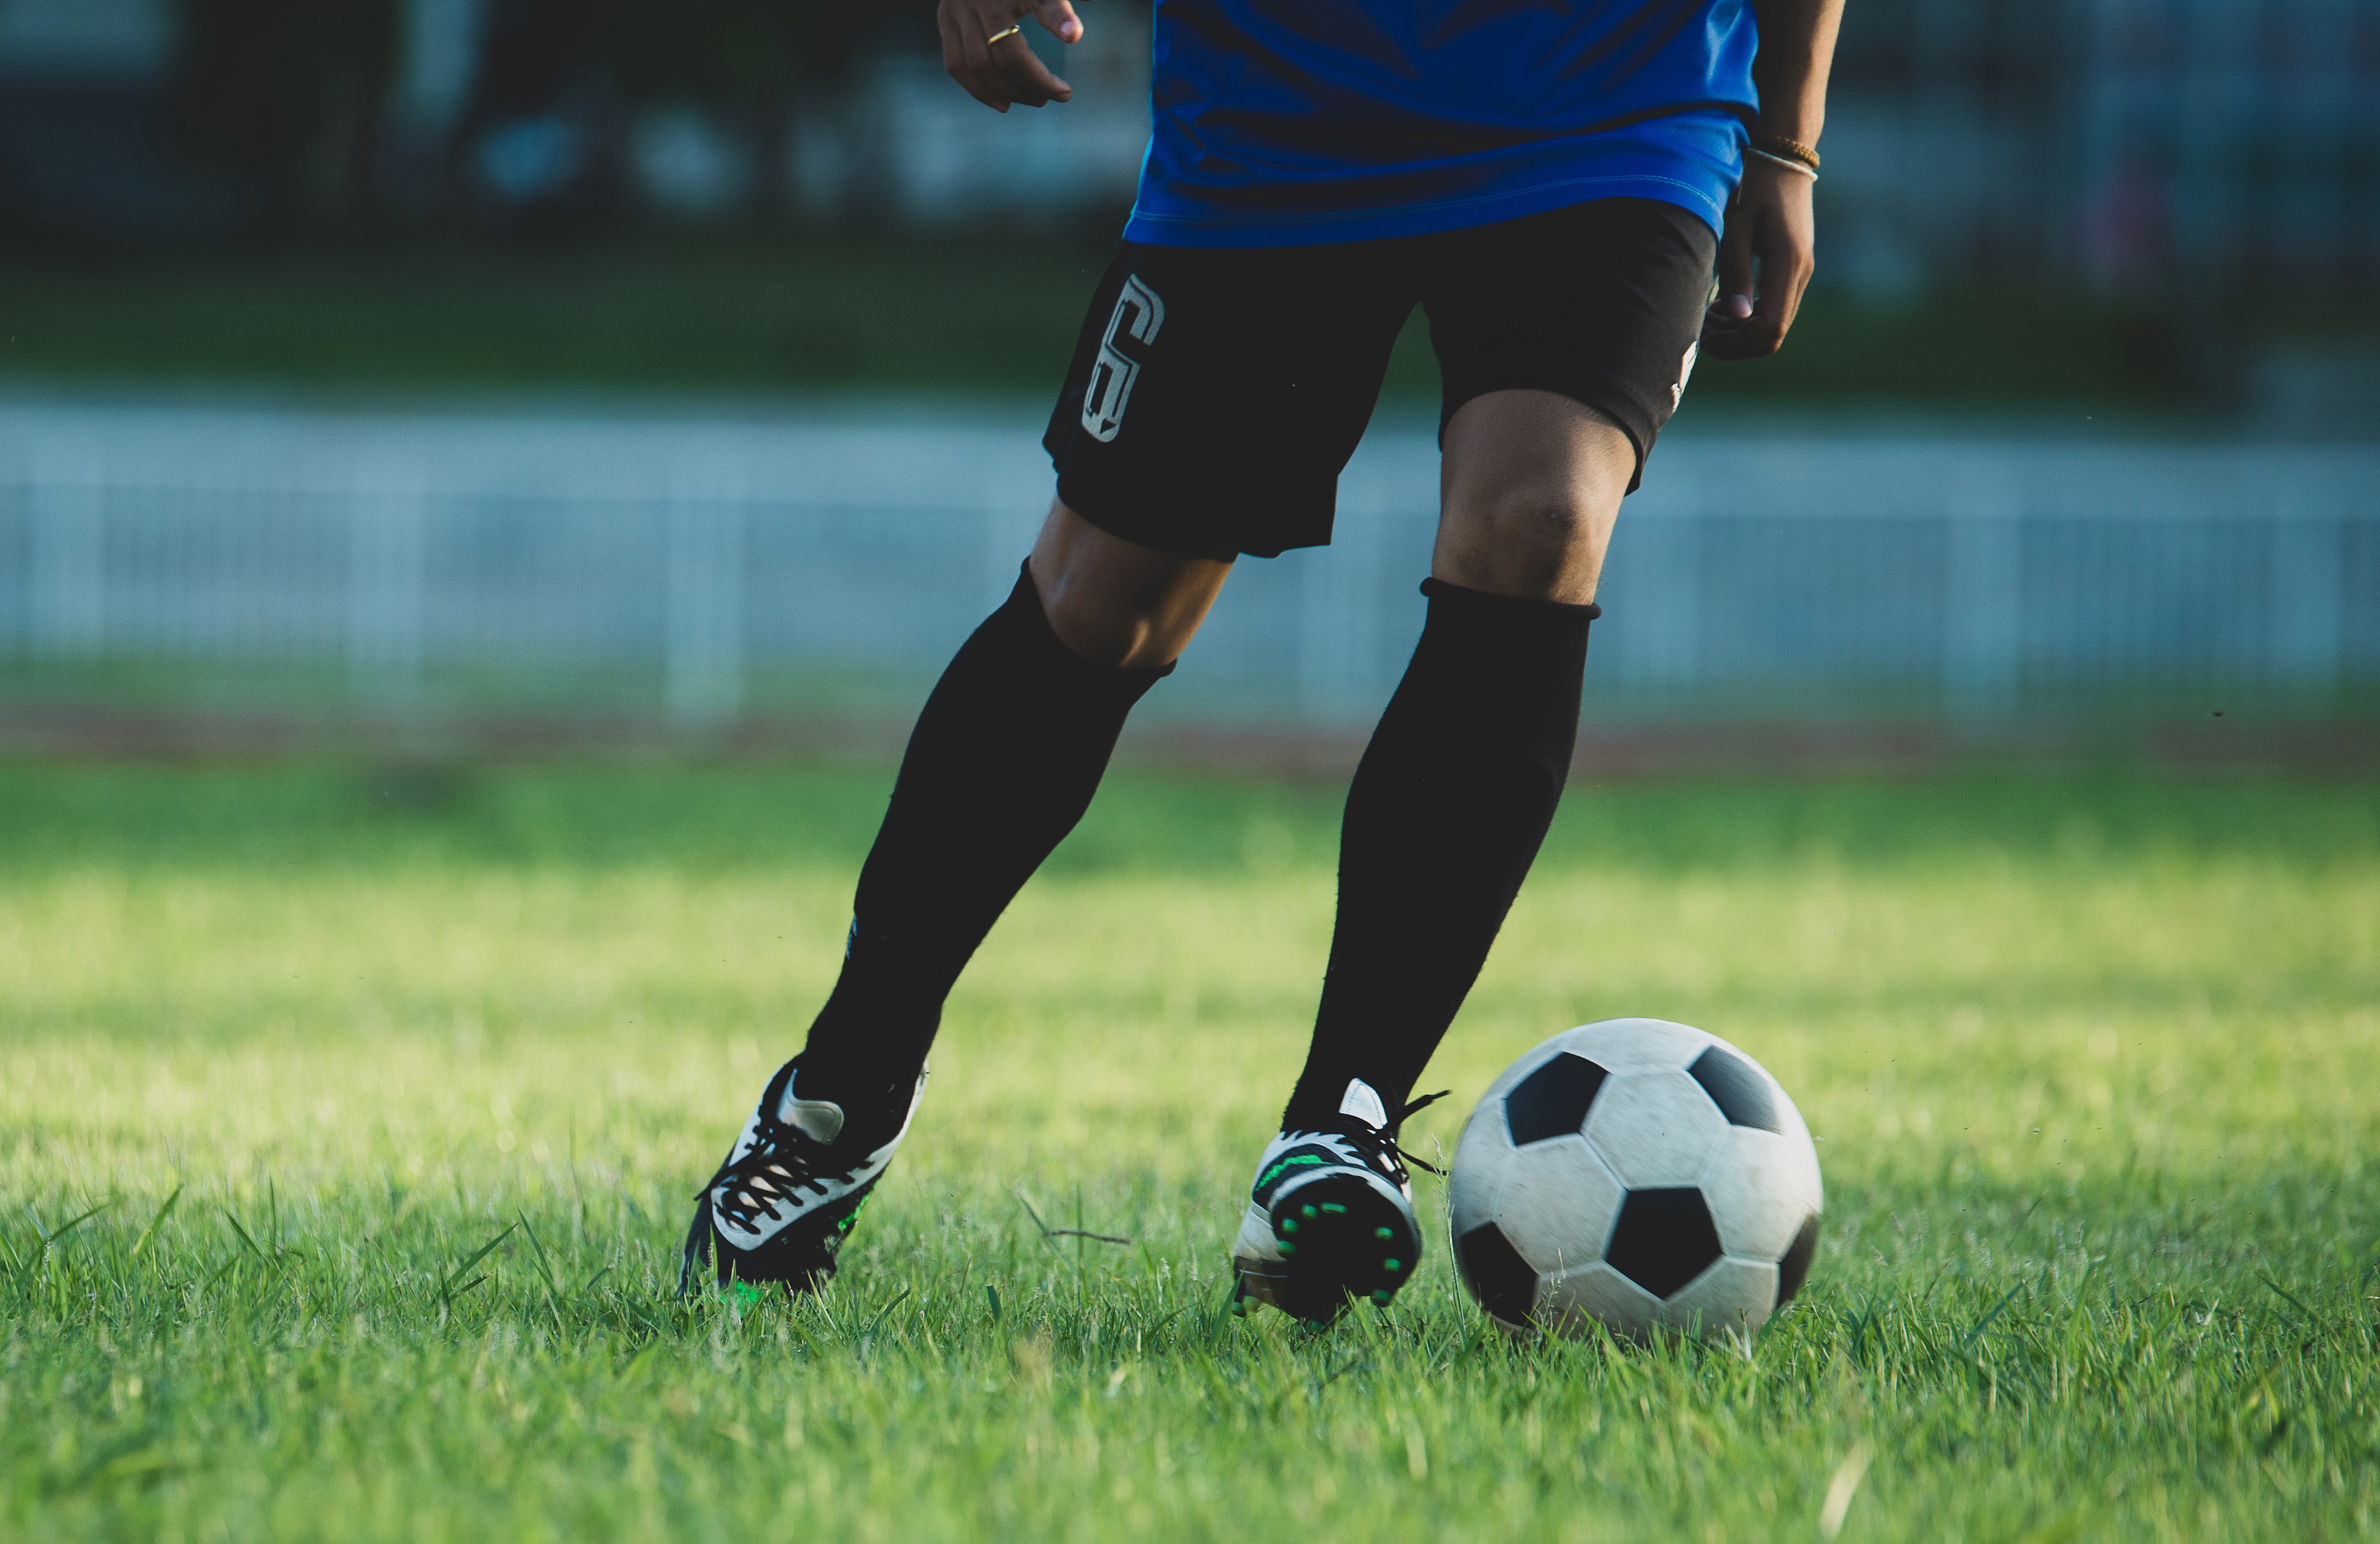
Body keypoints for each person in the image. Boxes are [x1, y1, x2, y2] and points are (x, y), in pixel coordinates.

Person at [682, 0, 1844, 1321]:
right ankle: (843, 1091)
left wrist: (1789, 146)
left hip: (1614, 92)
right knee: (1104, 598)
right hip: (1285, 94)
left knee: (1542, 520)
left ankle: (1340, 1119)